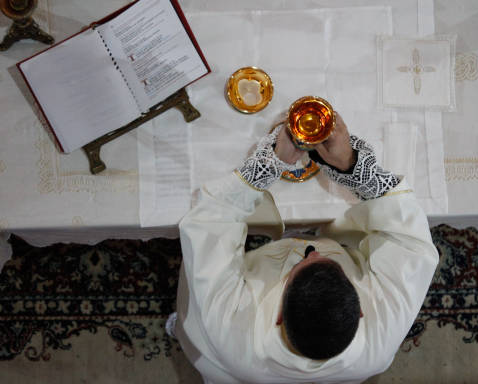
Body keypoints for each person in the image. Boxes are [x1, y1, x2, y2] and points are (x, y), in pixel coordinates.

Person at [168, 113, 439, 383]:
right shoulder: (382, 335)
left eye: (301, 264)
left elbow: (209, 223)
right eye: (326, 261)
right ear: (359, 311)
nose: (312, 250)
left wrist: (271, 164)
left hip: (231, 361)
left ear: (277, 317)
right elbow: (409, 239)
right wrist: (350, 165)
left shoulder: (229, 327)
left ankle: (178, 328)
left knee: (195, 317)